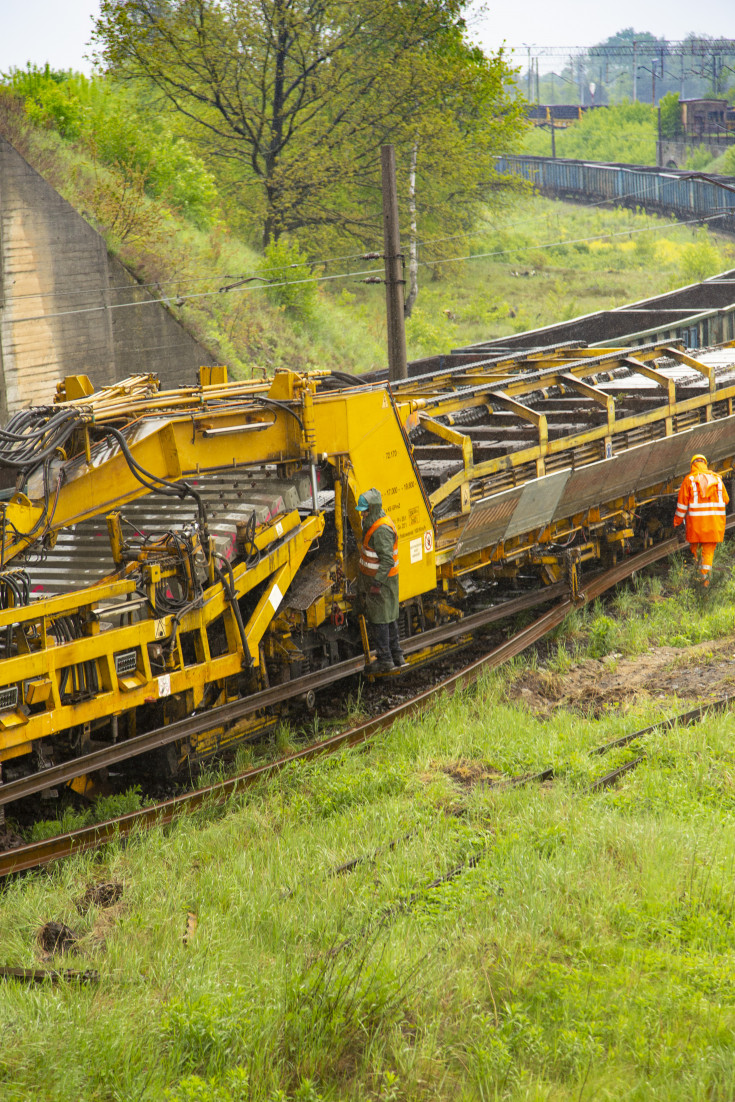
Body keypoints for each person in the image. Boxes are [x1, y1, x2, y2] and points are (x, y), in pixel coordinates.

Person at [356, 487, 407, 673]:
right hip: (385, 584)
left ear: (373, 509)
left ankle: (386, 659)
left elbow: (387, 560)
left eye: (365, 511)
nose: (362, 516)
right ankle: (397, 656)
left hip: (381, 585)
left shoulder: (380, 530)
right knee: (390, 619)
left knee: (380, 622)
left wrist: (376, 583)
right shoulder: (379, 523)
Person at [673, 453, 729, 587]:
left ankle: (701, 580)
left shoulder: (689, 480)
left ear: (692, 465)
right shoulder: (718, 480)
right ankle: (704, 582)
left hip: (696, 527)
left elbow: (681, 507)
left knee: (697, 552)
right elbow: (726, 500)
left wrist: (677, 522)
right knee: (708, 553)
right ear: (705, 464)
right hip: (714, 526)